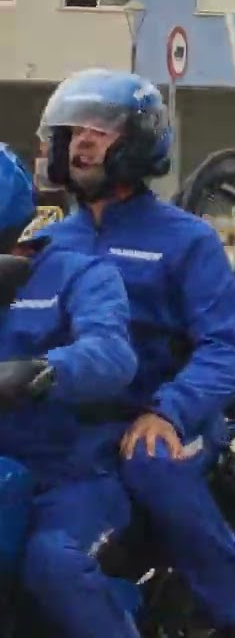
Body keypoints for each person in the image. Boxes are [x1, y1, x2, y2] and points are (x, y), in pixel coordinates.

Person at [34, 69, 235, 637]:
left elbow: (226, 349)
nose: (84, 140)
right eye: (75, 130)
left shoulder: (186, 239)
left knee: (151, 462)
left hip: (167, 418)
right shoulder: (45, 245)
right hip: (78, 431)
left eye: (103, 128)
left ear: (139, 141)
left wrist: (169, 410)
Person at [0, 146, 140, 637]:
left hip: (69, 474)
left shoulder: (80, 273)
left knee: (51, 563)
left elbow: (112, 353)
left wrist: (42, 370)